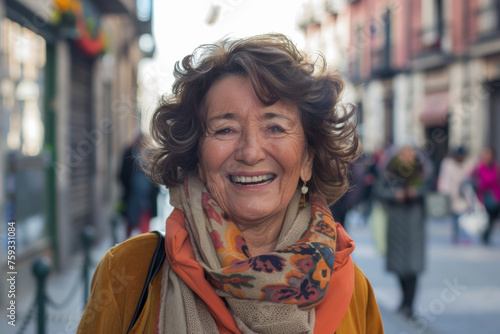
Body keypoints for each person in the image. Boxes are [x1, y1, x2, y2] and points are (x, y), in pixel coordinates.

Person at [78, 34, 384, 333]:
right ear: (197, 155)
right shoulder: (128, 271)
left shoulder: (354, 290)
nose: (250, 152)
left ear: (307, 159)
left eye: (275, 127)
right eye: (225, 130)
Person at [375, 145, 429, 319]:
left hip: (414, 221)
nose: (407, 156)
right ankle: (403, 300)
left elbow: (430, 190)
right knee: (399, 264)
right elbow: (379, 190)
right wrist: (394, 194)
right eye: (403, 153)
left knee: (413, 264)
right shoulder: (390, 169)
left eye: (410, 153)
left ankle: (409, 304)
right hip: (396, 221)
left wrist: (417, 191)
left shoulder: (422, 169)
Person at [118, 133, 158, 238]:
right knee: (130, 223)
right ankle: (127, 247)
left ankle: (144, 250)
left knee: (145, 228)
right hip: (132, 197)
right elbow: (122, 175)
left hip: (146, 200)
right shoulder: (129, 153)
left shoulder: (151, 155)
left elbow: (156, 178)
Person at [437, 146, 474, 244]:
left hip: (464, 195)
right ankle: (456, 236)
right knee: (455, 217)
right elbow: (444, 179)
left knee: (464, 217)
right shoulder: (448, 164)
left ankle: (464, 235)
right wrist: (444, 193)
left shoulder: (468, 164)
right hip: (452, 194)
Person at [472, 146, 500, 245]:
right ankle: (484, 235)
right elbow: (479, 181)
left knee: (492, 218)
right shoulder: (479, 167)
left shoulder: (495, 167)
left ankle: (486, 236)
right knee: (485, 218)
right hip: (483, 196)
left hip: (495, 196)